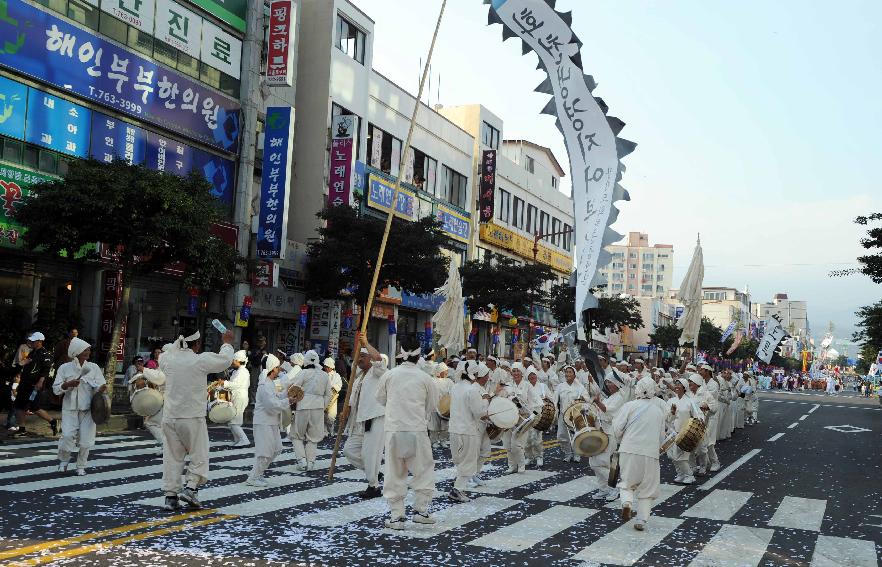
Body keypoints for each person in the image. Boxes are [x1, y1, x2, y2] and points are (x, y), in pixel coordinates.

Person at [159, 330, 234, 511]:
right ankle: (191, 488)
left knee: (172, 456)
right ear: (197, 344)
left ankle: (170, 496)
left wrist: (179, 344)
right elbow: (225, 360)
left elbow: (166, 352)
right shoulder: (199, 360)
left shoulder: (167, 360)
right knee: (199, 454)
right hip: (191, 416)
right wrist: (227, 342)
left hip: (170, 416)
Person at [376, 338, 438, 529]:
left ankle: (397, 516)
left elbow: (380, 399)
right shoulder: (425, 378)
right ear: (419, 355)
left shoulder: (390, 375)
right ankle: (421, 510)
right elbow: (432, 405)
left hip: (394, 429)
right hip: (417, 430)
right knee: (423, 469)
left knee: (394, 471)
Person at [612, 376, 667, 531]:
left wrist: (622, 438)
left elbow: (617, 429)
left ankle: (627, 503)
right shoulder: (658, 411)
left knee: (627, 483)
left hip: (629, 449)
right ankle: (641, 520)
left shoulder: (629, 406)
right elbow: (661, 437)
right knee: (647, 489)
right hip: (650, 453)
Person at [52, 338, 106, 475]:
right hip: (69, 407)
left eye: (88, 350)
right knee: (67, 435)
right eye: (84, 350)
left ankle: (81, 465)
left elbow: (101, 385)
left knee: (86, 440)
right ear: (76, 352)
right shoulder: (64, 368)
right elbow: (56, 389)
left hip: (89, 408)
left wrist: (101, 389)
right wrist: (67, 385)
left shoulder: (93, 367)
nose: (88, 352)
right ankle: (64, 460)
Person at [342, 335, 387, 499]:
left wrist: (366, 343)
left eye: (363, 356)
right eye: (358, 356)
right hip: (359, 420)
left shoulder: (378, 372)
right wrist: (345, 412)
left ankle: (373, 486)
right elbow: (353, 399)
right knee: (349, 450)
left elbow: (378, 358)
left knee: (371, 454)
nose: (360, 359)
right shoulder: (359, 375)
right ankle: (374, 473)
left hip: (375, 418)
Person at [447, 362, 491, 503]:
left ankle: (458, 485)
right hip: (467, 430)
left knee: (460, 460)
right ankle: (457, 490)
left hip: (454, 429)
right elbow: (479, 413)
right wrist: (485, 401)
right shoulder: (471, 390)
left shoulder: (454, 387)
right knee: (468, 461)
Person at [246, 354, 292, 487]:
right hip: (263, 422)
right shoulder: (264, 385)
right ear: (272, 368)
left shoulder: (270, 383)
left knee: (277, 449)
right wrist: (288, 400)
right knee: (264, 451)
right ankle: (253, 477)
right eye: (277, 368)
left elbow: (277, 396)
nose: (279, 370)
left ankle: (257, 474)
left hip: (271, 421)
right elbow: (271, 405)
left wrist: (288, 394)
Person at [289, 351, 332, 471]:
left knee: (296, 434)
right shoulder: (324, 375)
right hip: (318, 407)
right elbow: (329, 394)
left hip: (303, 405)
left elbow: (295, 388)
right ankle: (311, 462)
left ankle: (301, 460)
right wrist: (322, 406)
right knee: (313, 436)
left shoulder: (303, 372)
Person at [591, 373, 627, 501]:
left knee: (602, 463)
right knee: (595, 462)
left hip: (610, 432)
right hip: (600, 430)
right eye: (607, 383)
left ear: (617, 384)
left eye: (611, 382)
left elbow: (606, 410)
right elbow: (599, 410)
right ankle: (604, 489)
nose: (608, 385)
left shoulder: (619, 398)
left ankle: (614, 488)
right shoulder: (610, 397)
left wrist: (597, 401)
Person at [13, 332, 57, 437]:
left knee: (34, 407)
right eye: (30, 341)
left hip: (34, 385)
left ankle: (52, 421)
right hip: (25, 383)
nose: (31, 342)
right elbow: (25, 366)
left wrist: (40, 382)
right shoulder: (32, 353)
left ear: (40, 341)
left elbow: (46, 370)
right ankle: (22, 429)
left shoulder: (45, 354)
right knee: (19, 405)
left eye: (33, 341)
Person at [499, 363, 539, 474]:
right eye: (514, 371)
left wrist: (531, 413)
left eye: (518, 371)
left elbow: (535, 401)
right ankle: (511, 465)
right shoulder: (507, 385)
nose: (516, 373)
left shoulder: (527, 385)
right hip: (508, 418)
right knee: (507, 444)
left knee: (516, 444)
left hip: (523, 419)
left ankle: (521, 465)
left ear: (522, 373)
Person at [666, 378, 701, 484]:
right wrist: (672, 413)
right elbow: (666, 417)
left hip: (684, 433)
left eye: (679, 384)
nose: (676, 386)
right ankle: (680, 474)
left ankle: (689, 475)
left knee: (681, 457)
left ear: (684, 387)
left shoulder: (690, 401)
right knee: (671, 455)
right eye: (675, 384)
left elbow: (699, 415)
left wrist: (692, 429)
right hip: (671, 432)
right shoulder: (671, 401)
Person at [554, 365, 587, 462]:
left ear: (574, 375)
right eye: (566, 372)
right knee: (562, 435)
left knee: (576, 435)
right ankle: (568, 453)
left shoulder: (580, 387)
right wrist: (554, 412)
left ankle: (577, 454)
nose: (567, 374)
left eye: (570, 372)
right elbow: (555, 400)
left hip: (575, 415)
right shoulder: (560, 386)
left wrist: (582, 400)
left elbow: (587, 399)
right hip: (563, 415)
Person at [225, 350, 251, 447]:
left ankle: (244, 439)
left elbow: (235, 385)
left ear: (238, 361)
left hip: (239, 397)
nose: (232, 362)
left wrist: (224, 383)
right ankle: (237, 439)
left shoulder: (242, 372)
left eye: (233, 361)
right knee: (232, 420)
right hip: (237, 396)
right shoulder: (239, 371)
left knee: (234, 421)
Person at [525, 367, 550, 468]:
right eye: (530, 376)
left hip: (539, 415)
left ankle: (539, 456)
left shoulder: (543, 387)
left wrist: (546, 401)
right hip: (527, 414)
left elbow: (551, 398)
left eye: (534, 375)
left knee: (537, 438)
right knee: (527, 438)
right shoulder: (525, 386)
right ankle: (529, 456)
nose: (532, 377)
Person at [428, 362, 453, 448]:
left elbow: (452, 392)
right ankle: (434, 441)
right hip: (434, 405)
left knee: (445, 425)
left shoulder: (449, 381)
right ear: (440, 371)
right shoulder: (432, 380)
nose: (447, 373)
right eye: (445, 371)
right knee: (434, 425)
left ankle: (443, 440)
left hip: (445, 406)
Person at [323, 357, 343, 436]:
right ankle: (324, 431)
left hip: (333, 397)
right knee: (322, 415)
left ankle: (330, 429)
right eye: (325, 366)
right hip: (323, 397)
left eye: (327, 366)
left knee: (331, 415)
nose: (326, 368)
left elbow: (339, 385)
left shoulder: (336, 375)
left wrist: (332, 387)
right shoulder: (323, 374)